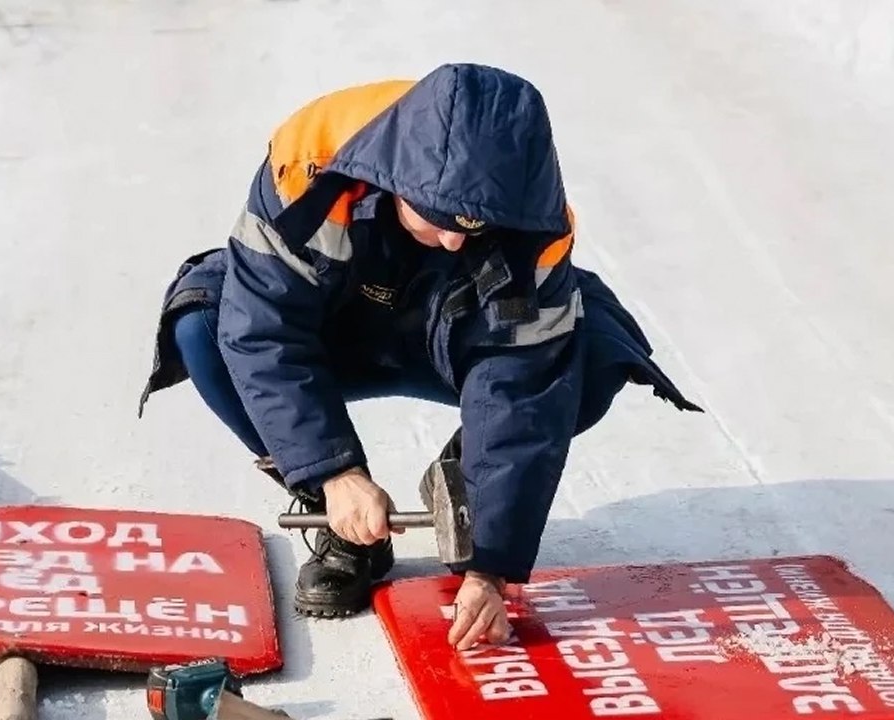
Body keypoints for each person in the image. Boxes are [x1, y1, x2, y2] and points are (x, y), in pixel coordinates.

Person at [138, 63, 701, 650]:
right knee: (205, 328)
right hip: (336, 326)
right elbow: (264, 331)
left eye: (474, 224)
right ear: (397, 177)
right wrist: (333, 473)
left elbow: (520, 385)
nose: (456, 239)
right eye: (439, 216)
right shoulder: (306, 164)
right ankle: (347, 527)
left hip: (454, 337)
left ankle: (466, 488)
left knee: (586, 359)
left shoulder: (535, 221)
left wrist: (490, 567)